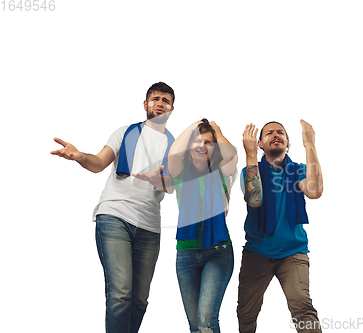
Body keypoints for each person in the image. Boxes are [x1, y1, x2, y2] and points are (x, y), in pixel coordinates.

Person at [50, 82, 176, 333]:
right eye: (155, 99)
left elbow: (171, 186)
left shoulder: (174, 146)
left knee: (139, 300)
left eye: (165, 100)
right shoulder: (124, 132)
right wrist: (79, 156)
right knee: (121, 294)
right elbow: (98, 163)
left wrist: (158, 179)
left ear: (172, 108)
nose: (160, 103)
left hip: (150, 226)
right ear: (145, 104)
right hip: (115, 216)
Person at [237, 120, 323, 333]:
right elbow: (255, 200)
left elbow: (314, 192)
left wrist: (310, 145)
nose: (276, 135)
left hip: (293, 253)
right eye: (269, 133)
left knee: (303, 307)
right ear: (259, 143)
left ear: (287, 142)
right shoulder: (249, 171)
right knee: (246, 314)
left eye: (281, 132)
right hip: (256, 254)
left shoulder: (299, 170)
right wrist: (249, 156)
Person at [166, 118, 237, 333]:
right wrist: (194, 126)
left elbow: (231, 155)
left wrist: (217, 130)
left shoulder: (223, 173)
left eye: (208, 143)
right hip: (186, 254)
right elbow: (173, 155)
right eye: (198, 141)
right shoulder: (179, 172)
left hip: (218, 251)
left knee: (206, 319)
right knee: (195, 325)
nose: (202, 146)